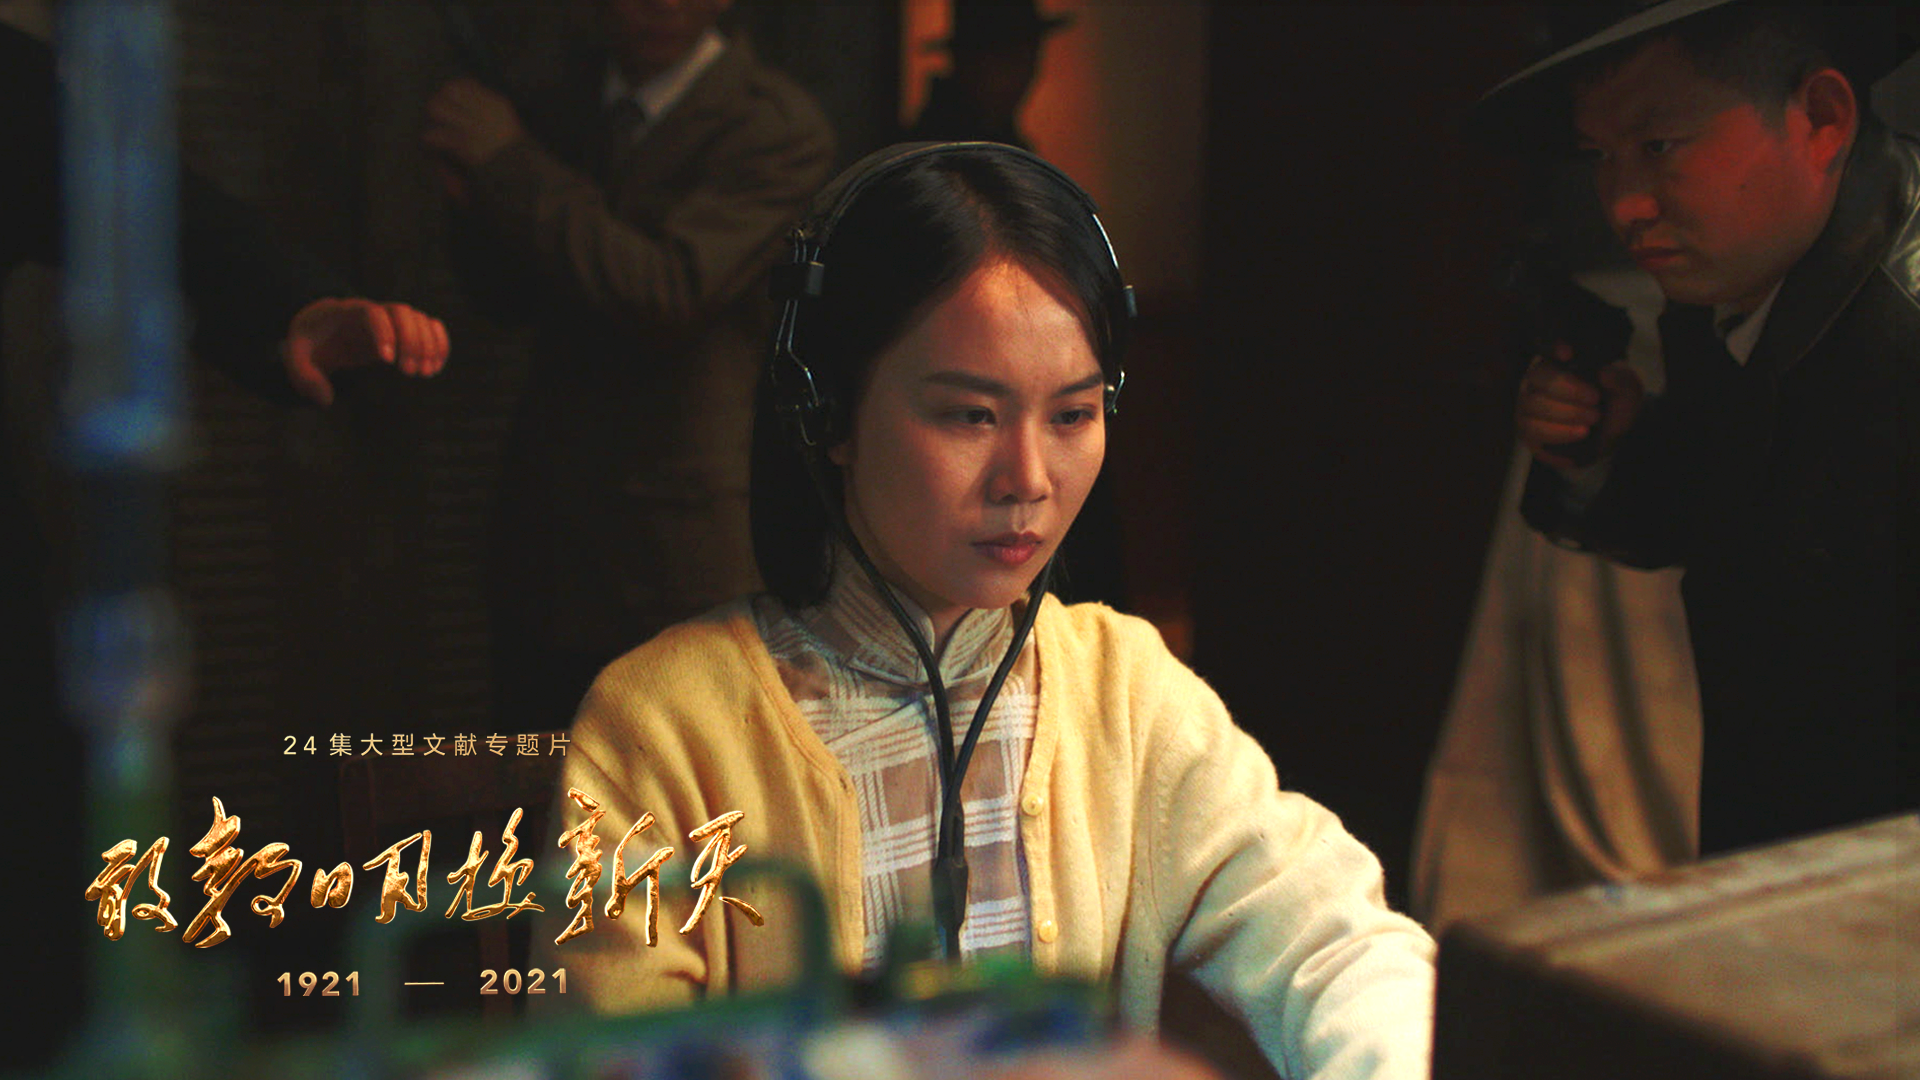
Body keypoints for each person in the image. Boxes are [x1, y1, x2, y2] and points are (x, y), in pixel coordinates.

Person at [542, 144, 1435, 1080]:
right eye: (971, 416)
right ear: (827, 410)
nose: (1029, 480)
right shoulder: (663, 727)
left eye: (1073, 415)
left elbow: (1335, 943)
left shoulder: (1123, 690)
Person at [1490, 2, 1917, 854]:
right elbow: (1752, 533)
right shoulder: (1747, 275)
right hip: (1790, 852)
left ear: (1822, 117)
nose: (1624, 203)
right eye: (1601, 155)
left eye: (1659, 145)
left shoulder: (1899, 328)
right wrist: (1611, 448)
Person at [422, 0, 835, 734]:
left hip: (675, 550)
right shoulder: (562, 98)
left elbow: (669, 290)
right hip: (545, 540)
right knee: (538, 782)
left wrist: (509, 164)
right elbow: (507, 298)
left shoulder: (771, 125)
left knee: (681, 781)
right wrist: (472, 189)